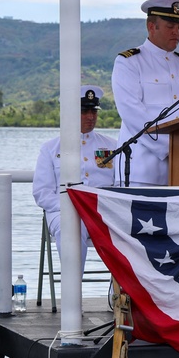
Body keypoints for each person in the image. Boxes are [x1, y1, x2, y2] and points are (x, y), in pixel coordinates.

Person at [111, 0, 179, 186]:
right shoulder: (129, 62)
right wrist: (172, 148)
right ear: (151, 26)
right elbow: (132, 114)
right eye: (170, 26)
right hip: (140, 170)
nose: (176, 32)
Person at [32, 85, 118, 267]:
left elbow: (119, 185)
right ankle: (72, 292)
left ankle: (122, 291)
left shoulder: (112, 145)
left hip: (104, 212)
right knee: (71, 227)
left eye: (93, 111)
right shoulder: (50, 149)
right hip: (63, 212)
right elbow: (42, 193)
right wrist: (75, 207)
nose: (91, 116)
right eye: (84, 111)